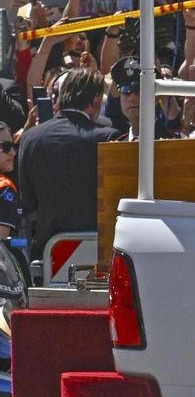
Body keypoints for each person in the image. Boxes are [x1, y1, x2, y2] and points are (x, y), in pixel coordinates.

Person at [15, 68, 119, 263]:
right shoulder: (106, 138)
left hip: (48, 252)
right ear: (96, 100)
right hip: (96, 251)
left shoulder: (30, 137)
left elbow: (28, 200)